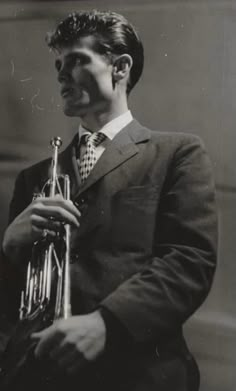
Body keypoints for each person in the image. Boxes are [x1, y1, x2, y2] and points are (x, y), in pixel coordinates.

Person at [0, 10, 218, 391]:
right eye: (58, 64)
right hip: (37, 375)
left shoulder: (177, 153)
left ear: (120, 67)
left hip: (135, 373)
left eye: (77, 60)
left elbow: (189, 261)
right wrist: (8, 247)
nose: (61, 74)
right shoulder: (34, 178)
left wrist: (107, 323)